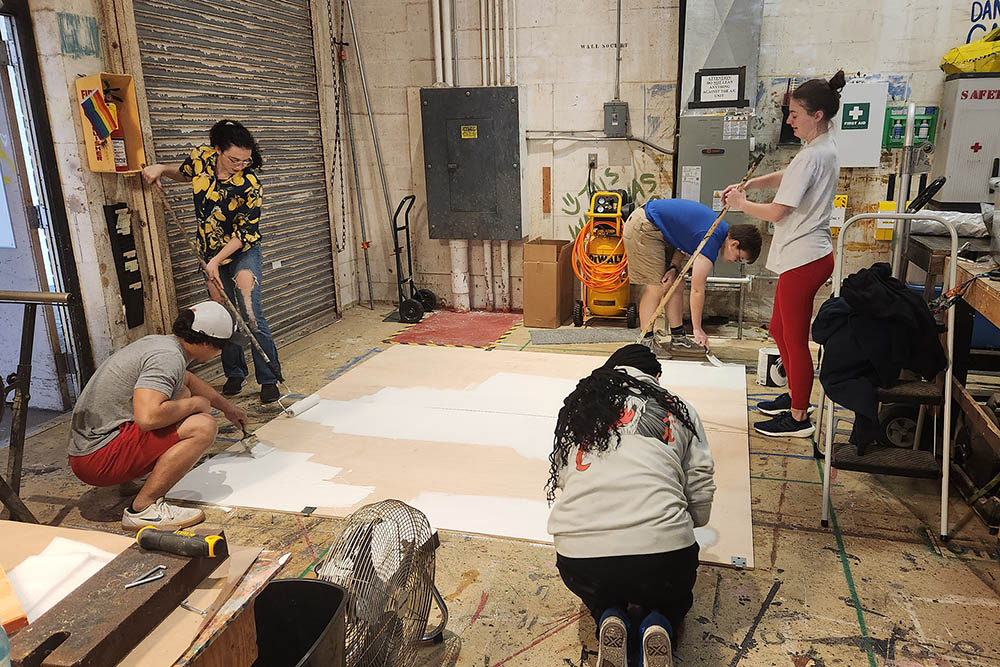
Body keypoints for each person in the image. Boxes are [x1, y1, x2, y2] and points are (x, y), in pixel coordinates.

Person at [546, 343, 715, 667]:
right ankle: (660, 621)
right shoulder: (678, 408)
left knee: (601, 587)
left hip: (581, 560)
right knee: (673, 594)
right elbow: (700, 485)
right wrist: (676, 523)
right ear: (657, 376)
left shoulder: (581, 407)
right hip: (662, 558)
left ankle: (608, 615)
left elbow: (565, 477)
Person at [722, 70, 846, 439]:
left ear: (817, 115)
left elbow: (777, 212)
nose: (789, 121)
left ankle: (797, 417)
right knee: (778, 329)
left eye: (795, 114)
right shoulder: (818, 149)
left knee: (793, 338)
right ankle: (796, 395)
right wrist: (752, 183)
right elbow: (788, 175)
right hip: (805, 254)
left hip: (804, 258)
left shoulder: (814, 155)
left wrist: (742, 203)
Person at [68, 302, 248, 531]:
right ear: (204, 341)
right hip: (96, 460)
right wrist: (196, 404)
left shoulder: (164, 344)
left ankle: (126, 482)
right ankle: (143, 510)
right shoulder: (168, 358)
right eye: (221, 346)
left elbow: (188, 380)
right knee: (202, 426)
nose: (222, 352)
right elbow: (148, 418)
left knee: (181, 390)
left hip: (90, 447)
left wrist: (227, 408)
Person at [142, 119, 283, 405]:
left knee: (250, 314)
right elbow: (184, 175)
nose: (240, 165)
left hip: (241, 250)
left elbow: (246, 232)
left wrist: (216, 262)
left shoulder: (250, 183)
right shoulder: (201, 158)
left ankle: (269, 379)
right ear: (217, 149)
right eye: (234, 159)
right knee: (222, 316)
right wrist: (161, 170)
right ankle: (234, 373)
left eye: (246, 160)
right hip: (209, 249)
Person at [622, 198, 762, 357]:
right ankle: (645, 342)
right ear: (734, 244)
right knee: (656, 286)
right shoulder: (712, 238)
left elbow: (684, 243)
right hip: (644, 226)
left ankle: (678, 338)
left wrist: (673, 267)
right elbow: (697, 289)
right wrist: (697, 328)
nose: (735, 261)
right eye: (738, 258)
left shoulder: (718, 230)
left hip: (657, 229)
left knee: (676, 284)